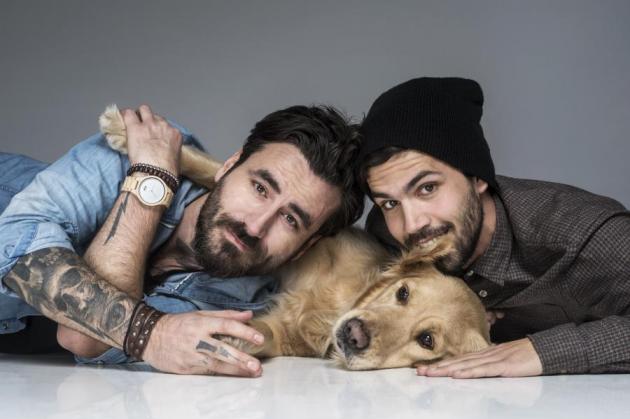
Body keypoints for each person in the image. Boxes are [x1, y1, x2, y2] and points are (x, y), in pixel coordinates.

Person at [0, 104, 363, 376]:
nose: (255, 226)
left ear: (306, 246)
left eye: (290, 220)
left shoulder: (236, 306)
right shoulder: (150, 148)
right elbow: (16, 244)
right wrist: (153, 177)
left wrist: (147, 333)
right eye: (259, 188)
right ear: (229, 166)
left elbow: (85, 338)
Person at [358, 77, 630, 377]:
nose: (412, 225)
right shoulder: (386, 232)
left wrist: (542, 351)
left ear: (477, 178)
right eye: (389, 203)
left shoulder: (586, 235)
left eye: (427, 188)